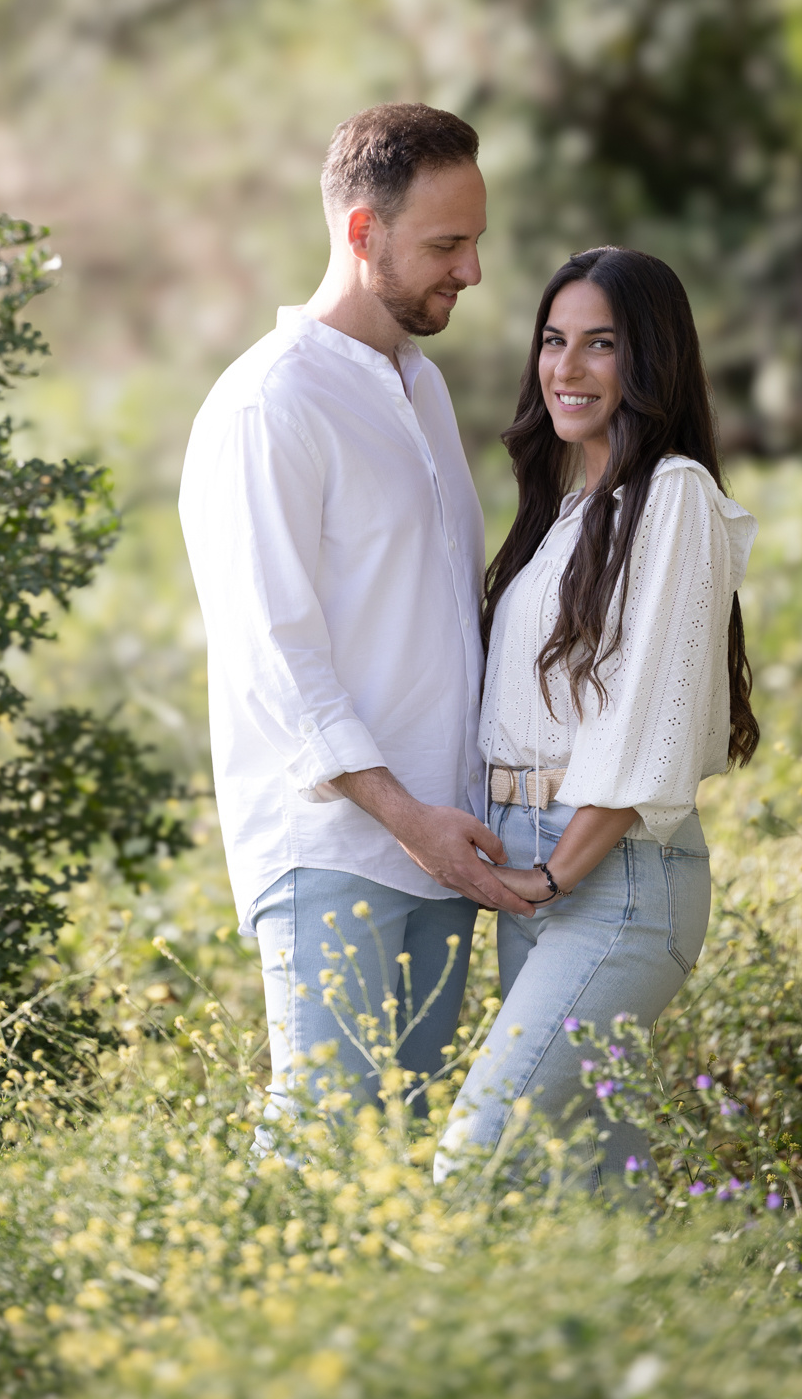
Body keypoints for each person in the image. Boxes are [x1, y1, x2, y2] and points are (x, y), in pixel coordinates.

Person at [179, 102, 533, 1115]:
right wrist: (406, 818)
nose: (469, 271)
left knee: (396, 1157)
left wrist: (446, 820)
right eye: (445, 244)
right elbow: (273, 654)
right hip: (336, 847)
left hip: (441, 846)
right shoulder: (269, 404)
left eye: (475, 241)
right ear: (362, 234)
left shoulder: (416, 387)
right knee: (321, 1145)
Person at [436, 245, 759, 1189]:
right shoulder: (571, 508)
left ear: (648, 360)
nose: (566, 368)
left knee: (476, 1163)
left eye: (600, 345)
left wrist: (550, 873)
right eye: (552, 341)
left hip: (605, 877)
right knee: (581, 1188)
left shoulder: (674, 496)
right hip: (527, 859)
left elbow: (645, 717)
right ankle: (677, 1331)